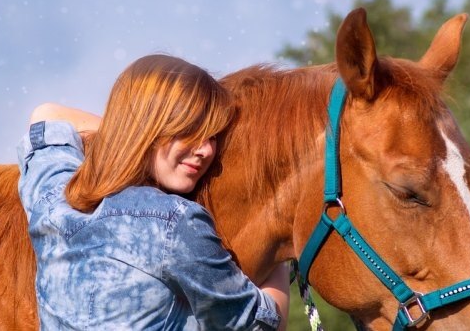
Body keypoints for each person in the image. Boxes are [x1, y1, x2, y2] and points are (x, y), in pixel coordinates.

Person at [17, 54, 289, 330]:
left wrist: (134, 137)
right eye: (190, 130)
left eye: (212, 136)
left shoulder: (52, 197)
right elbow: (259, 325)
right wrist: (277, 256)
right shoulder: (177, 223)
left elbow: (47, 114)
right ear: (150, 126)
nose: (206, 149)